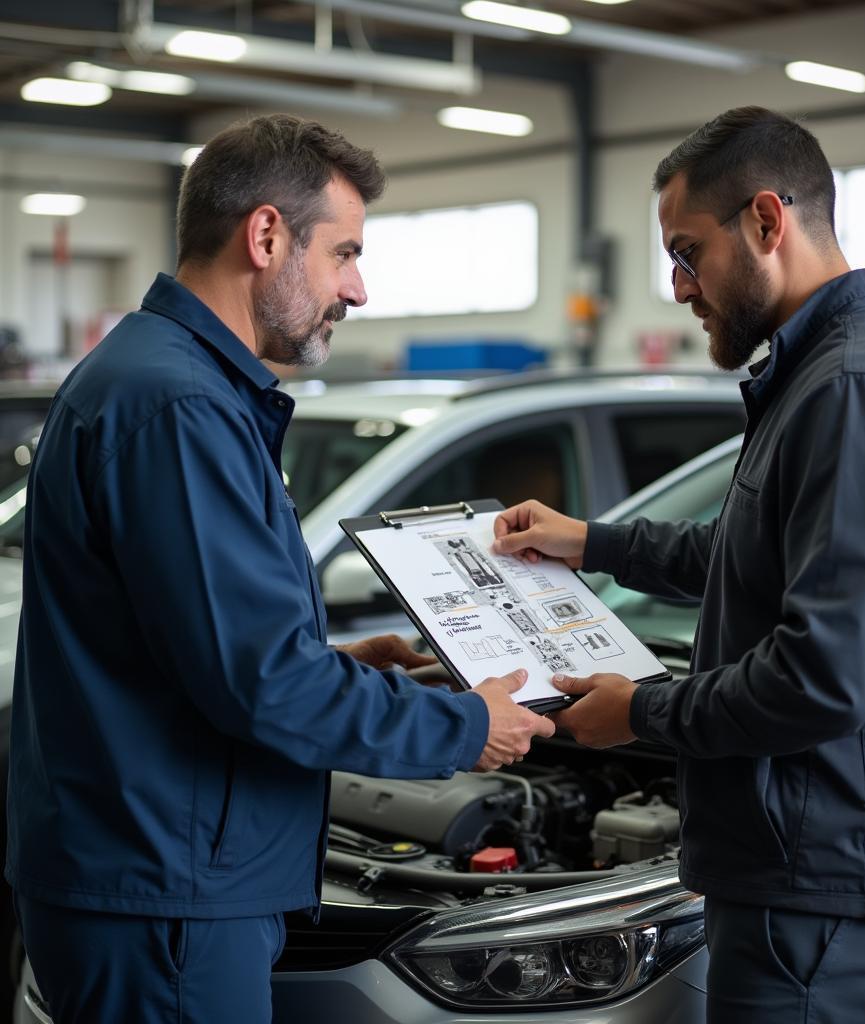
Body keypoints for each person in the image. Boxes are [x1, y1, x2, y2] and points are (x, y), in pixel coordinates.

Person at [6, 113, 554, 1023]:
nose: (359, 289)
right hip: (166, 890)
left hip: (159, 872)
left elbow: (192, 649)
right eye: (343, 253)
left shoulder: (173, 384)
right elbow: (258, 684)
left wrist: (337, 668)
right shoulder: (178, 406)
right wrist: (465, 728)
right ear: (266, 236)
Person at [493, 106, 865, 1023]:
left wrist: (639, 712)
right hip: (808, 878)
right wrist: (592, 542)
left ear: (766, 221)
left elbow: (825, 679)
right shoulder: (819, 379)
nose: (679, 287)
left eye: (687, 253)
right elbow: (744, 555)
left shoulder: (853, 392)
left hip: (821, 883)